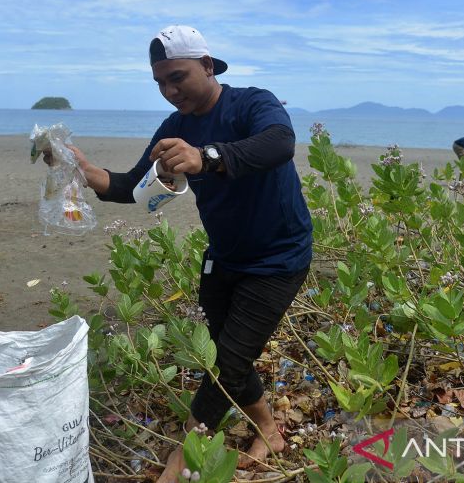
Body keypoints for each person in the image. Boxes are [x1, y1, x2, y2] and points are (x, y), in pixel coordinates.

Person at [48, 25, 312, 482]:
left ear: (208, 66)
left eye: (178, 77)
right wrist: (85, 169)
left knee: (225, 362)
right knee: (228, 353)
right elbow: (131, 188)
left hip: (278, 257)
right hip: (225, 256)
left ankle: (182, 459)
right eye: (160, 84)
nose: (170, 92)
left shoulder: (252, 102)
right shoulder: (175, 126)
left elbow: (279, 144)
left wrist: (206, 156)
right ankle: (269, 429)